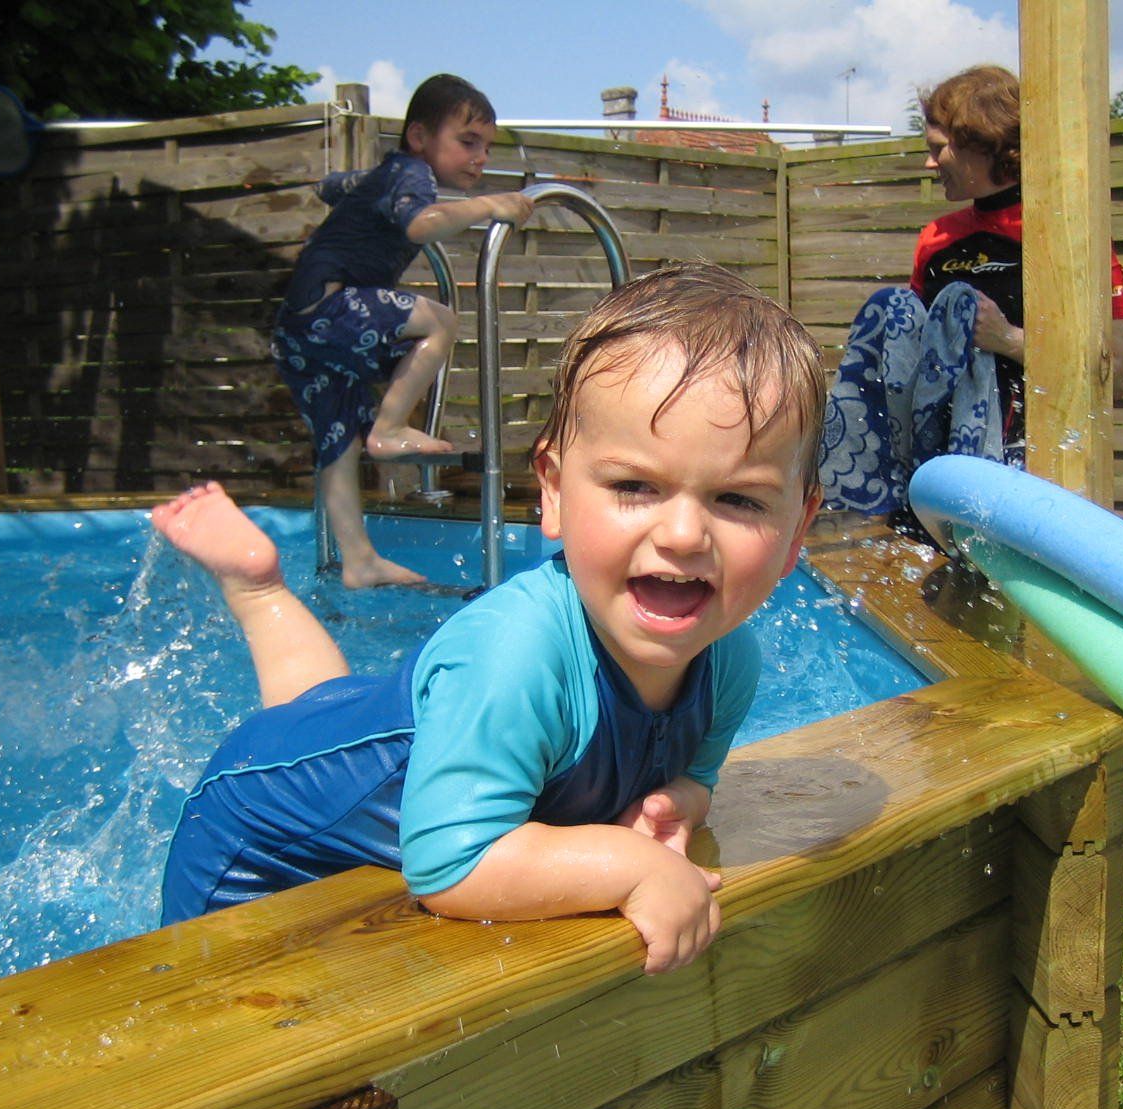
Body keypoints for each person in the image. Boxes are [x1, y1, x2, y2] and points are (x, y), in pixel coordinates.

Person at [155, 263, 826, 974]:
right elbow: (451, 863)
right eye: (635, 485)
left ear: (798, 530)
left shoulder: (729, 662)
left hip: (359, 755)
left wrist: (678, 804)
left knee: (334, 722)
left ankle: (259, 590)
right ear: (555, 492)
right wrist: (629, 863)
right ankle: (258, 593)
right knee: (195, 1010)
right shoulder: (513, 657)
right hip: (253, 837)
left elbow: (695, 779)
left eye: (741, 500)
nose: (686, 534)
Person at [820, 64, 1123, 519]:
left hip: (1033, 474)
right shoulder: (936, 239)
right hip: (934, 472)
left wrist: (1008, 340)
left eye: (937, 149)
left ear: (979, 143)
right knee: (891, 307)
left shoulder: (1070, 241)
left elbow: (1118, 376)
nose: (929, 163)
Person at [271, 73, 535, 588]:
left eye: (486, 146)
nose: (480, 157)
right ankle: (389, 429)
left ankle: (358, 559)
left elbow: (330, 187)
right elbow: (420, 224)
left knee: (338, 440)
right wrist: (489, 205)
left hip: (296, 330)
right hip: (330, 307)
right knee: (440, 320)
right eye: (467, 141)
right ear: (418, 137)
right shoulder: (412, 173)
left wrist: (351, 189)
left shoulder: (389, 175)